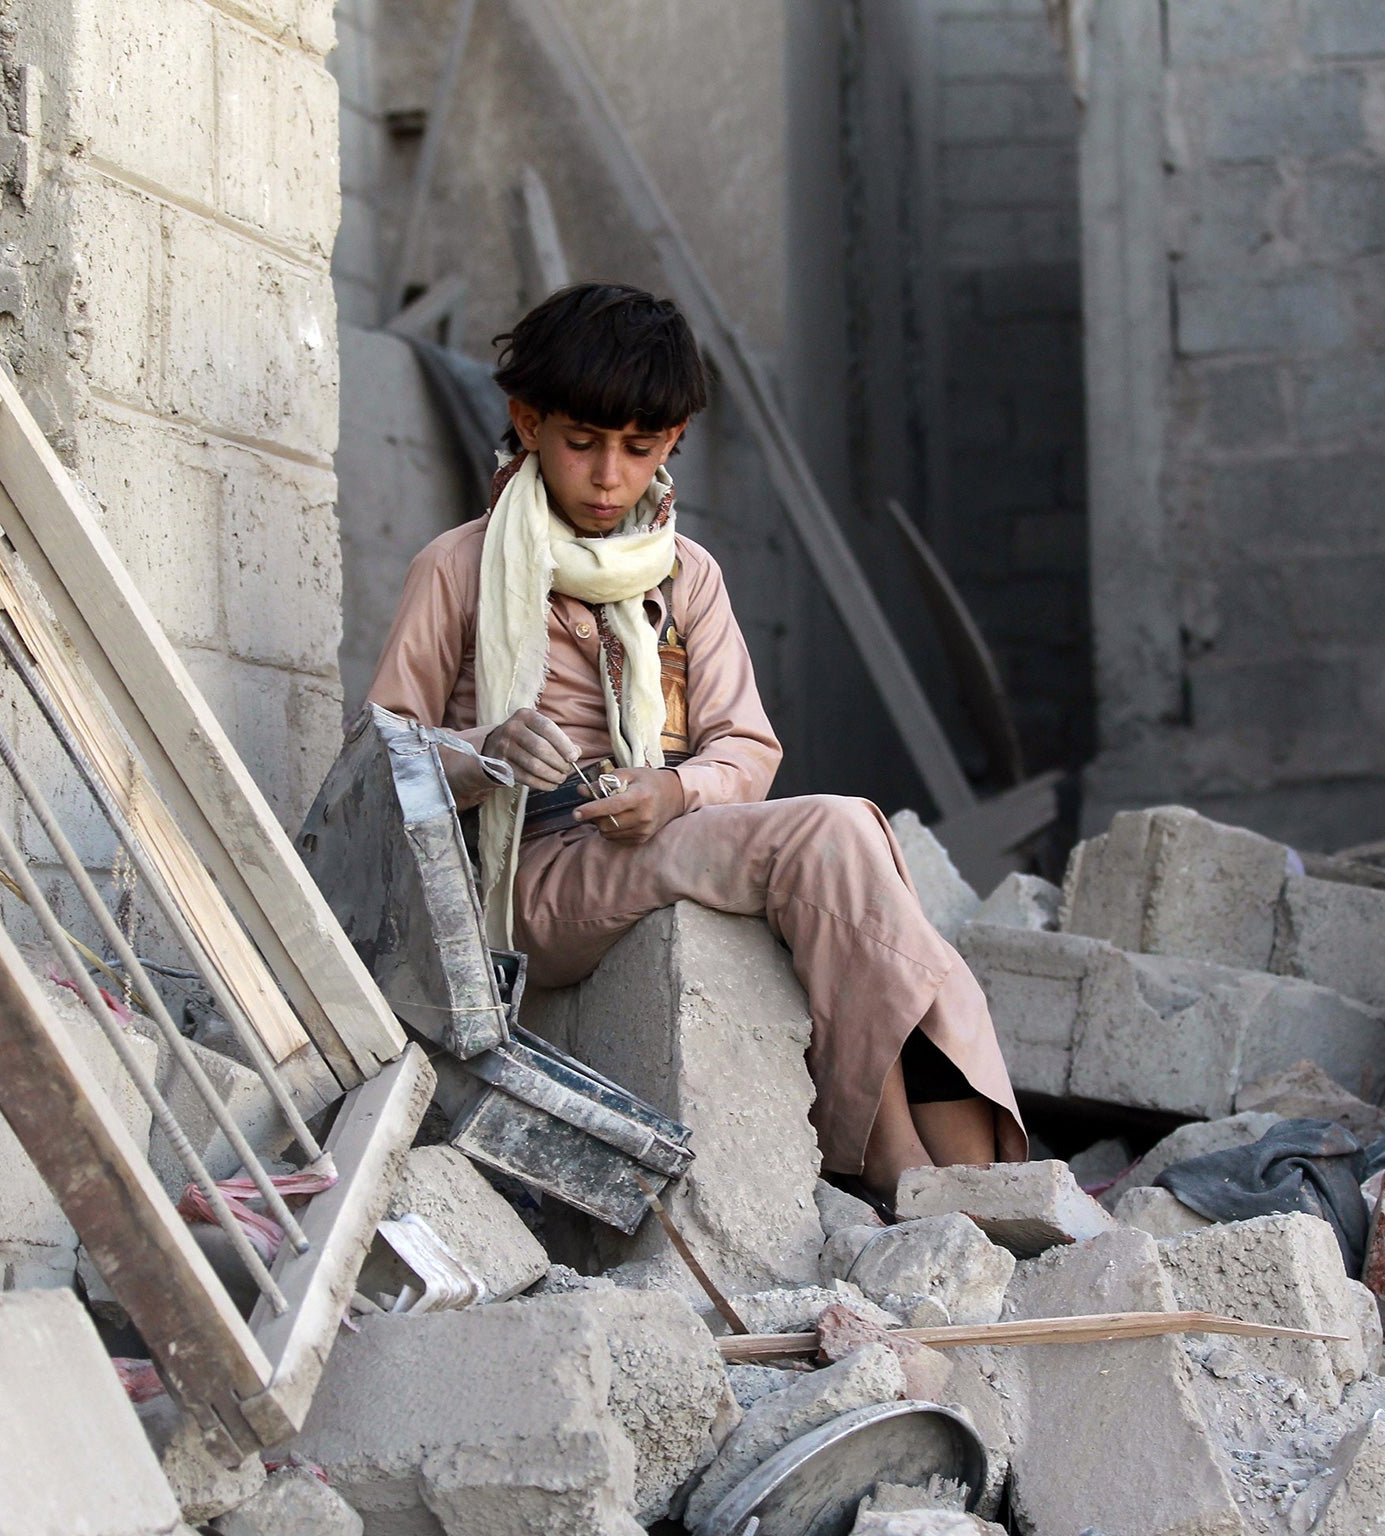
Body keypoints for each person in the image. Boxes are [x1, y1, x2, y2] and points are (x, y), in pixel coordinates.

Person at [366, 282, 1026, 1200]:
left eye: (638, 450)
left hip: (650, 839)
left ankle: (974, 1178)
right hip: (526, 879)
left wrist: (673, 793)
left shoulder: (686, 575)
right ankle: (902, 1165)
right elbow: (381, 763)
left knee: (860, 861)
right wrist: (486, 753)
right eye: (582, 443)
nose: (608, 478)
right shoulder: (458, 566)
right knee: (835, 837)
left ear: (672, 443)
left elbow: (745, 747)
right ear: (525, 422)